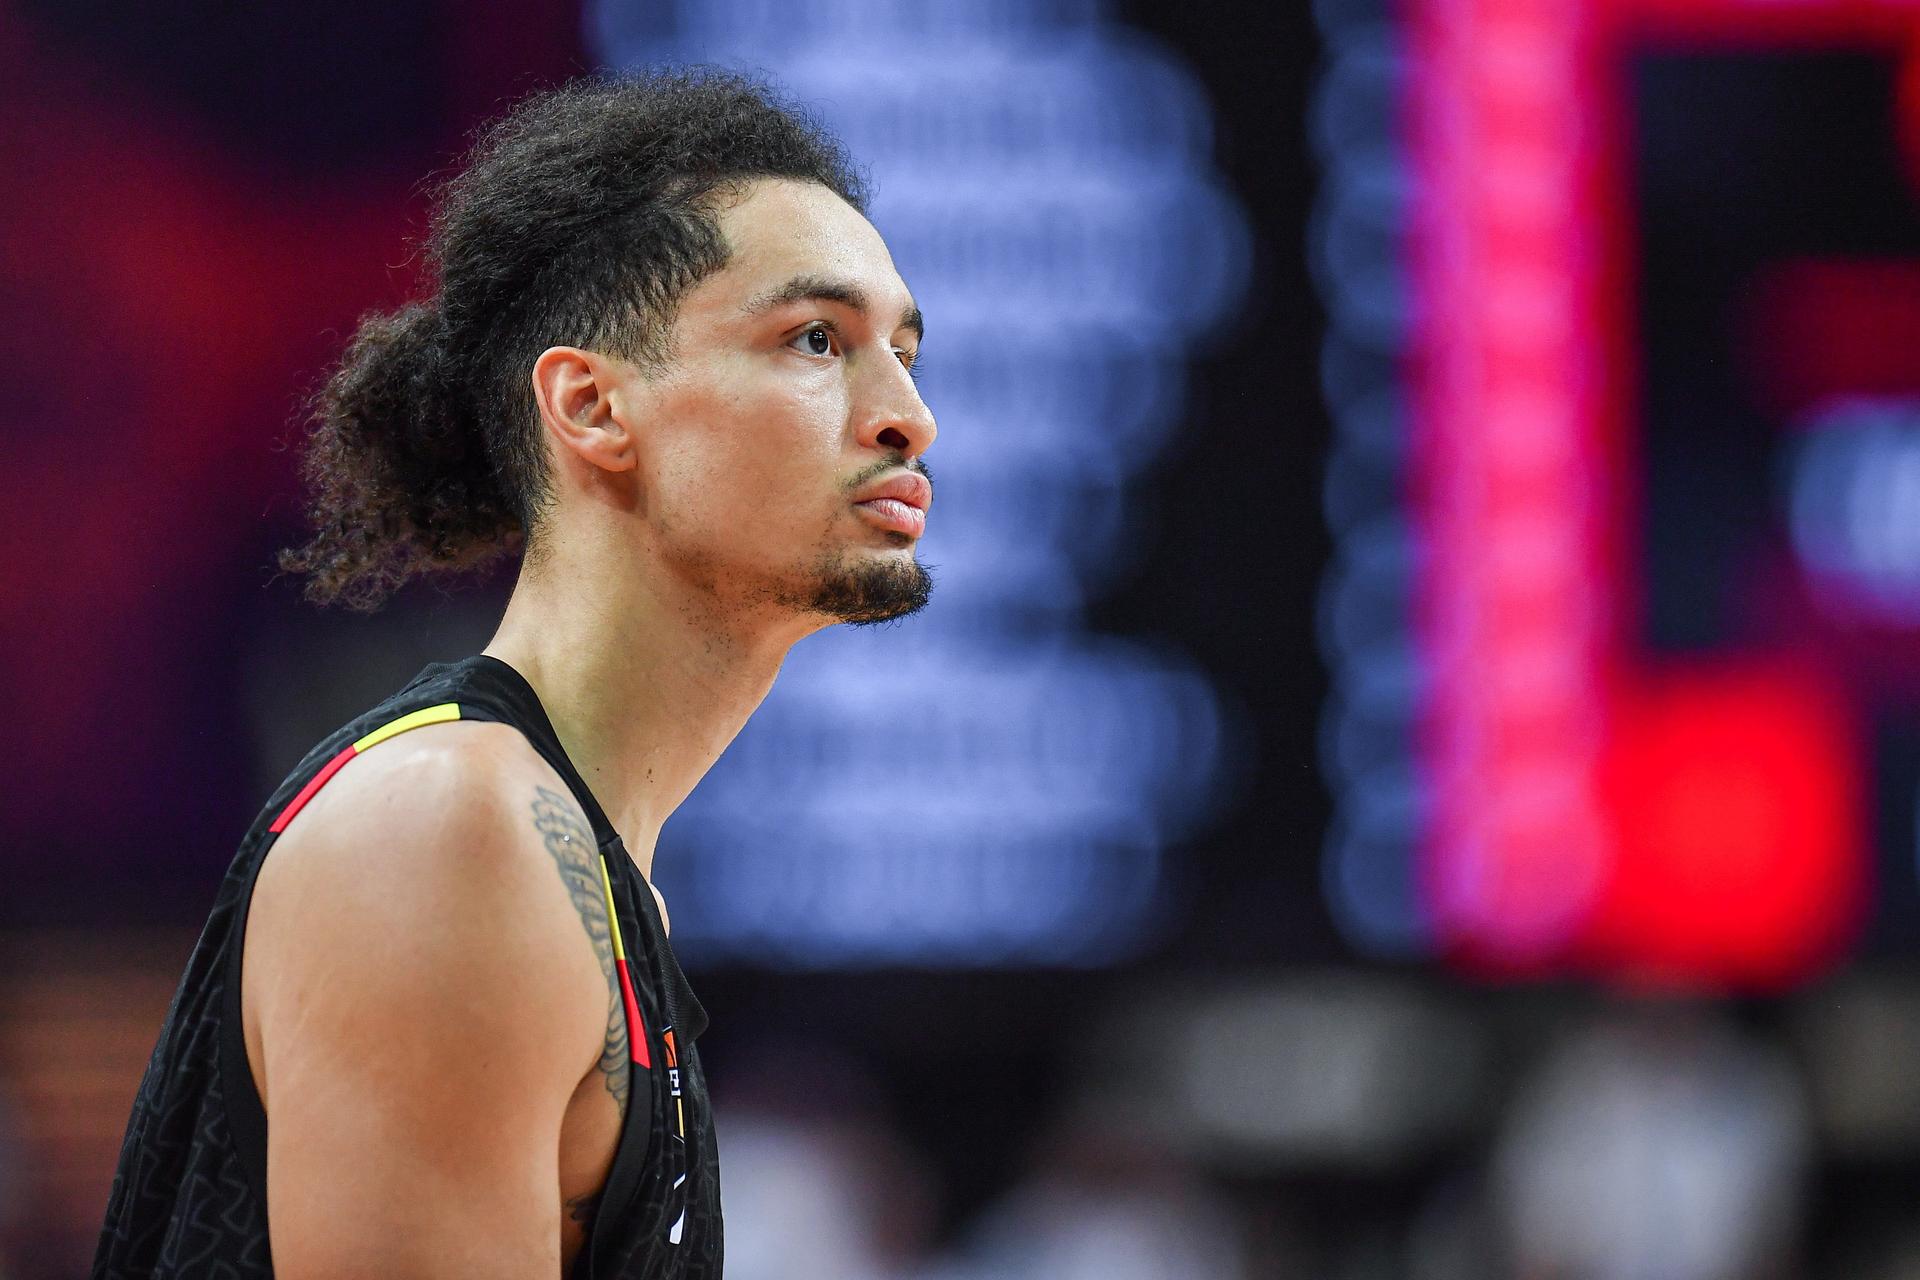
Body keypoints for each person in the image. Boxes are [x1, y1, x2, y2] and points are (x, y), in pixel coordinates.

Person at [93, 69, 936, 1279]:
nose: (909, 413)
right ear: (592, 404)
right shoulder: (449, 832)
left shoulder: (582, 861)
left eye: (904, 350)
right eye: (818, 340)